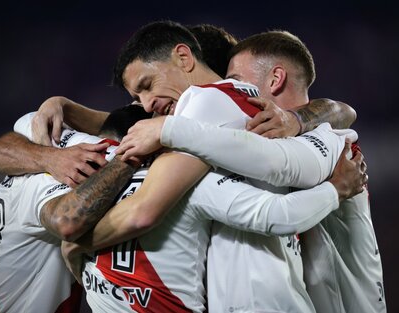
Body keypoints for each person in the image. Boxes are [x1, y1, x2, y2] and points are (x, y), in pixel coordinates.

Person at [116, 30, 385, 312]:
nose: (230, 91)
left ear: (275, 79)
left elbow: (278, 165)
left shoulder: (337, 143)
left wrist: (171, 129)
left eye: (235, 81)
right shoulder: (275, 137)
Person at [0, 105, 151, 313]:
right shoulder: (94, 155)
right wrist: (133, 155)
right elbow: (66, 221)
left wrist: (49, 154)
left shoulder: (48, 138)